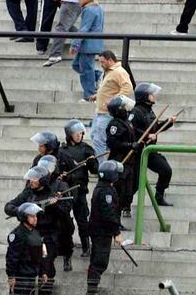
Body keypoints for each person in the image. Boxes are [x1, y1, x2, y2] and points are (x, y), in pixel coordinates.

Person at [5, 166, 71, 294]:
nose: (31, 181)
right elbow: (9, 206)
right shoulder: (28, 192)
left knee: (46, 274)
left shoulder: (52, 194)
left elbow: (64, 214)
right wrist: (23, 210)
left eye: (35, 178)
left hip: (47, 237)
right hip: (28, 234)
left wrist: (55, 205)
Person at [131, 83, 178, 206]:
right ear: (144, 96)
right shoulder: (136, 112)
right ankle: (125, 207)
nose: (153, 96)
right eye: (151, 94)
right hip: (138, 152)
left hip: (150, 151)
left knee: (166, 170)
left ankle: (159, 196)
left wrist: (168, 122)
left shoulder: (149, 111)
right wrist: (146, 136)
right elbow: (132, 129)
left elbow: (155, 128)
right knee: (134, 182)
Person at [61, 119, 98, 257]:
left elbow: (95, 170)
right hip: (66, 191)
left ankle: (86, 246)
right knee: (64, 221)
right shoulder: (62, 151)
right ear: (69, 134)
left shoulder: (86, 149)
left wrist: (93, 162)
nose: (79, 135)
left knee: (82, 220)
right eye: (76, 133)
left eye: (81, 133)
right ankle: (63, 247)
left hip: (80, 190)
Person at [90, 50, 134, 163]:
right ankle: (105, 162)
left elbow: (128, 88)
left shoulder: (119, 72)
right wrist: (97, 96)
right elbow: (109, 88)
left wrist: (113, 101)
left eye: (103, 62)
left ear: (110, 60)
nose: (101, 64)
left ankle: (102, 166)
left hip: (107, 113)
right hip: (100, 111)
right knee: (95, 136)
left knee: (99, 141)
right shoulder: (108, 72)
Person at [87, 160, 123, 295]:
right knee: (99, 261)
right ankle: (92, 290)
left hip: (99, 231)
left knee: (97, 261)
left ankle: (92, 288)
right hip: (102, 232)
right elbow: (108, 214)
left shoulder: (103, 188)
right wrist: (117, 232)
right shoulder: (106, 192)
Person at [37, 155, 75, 271]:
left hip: (60, 220)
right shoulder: (35, 184)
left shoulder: (61, 185)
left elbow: (67, 206)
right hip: (43, 219)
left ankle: (67, 257)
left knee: (65, 238)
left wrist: (56, 203)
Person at [106, 95, 140, 220]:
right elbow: (112, 143)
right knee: (119, 190)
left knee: (128, 190)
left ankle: (124, 209)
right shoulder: (114, 125)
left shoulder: (127, 122)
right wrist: (130, 145)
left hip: (130, 162)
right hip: (120, 161)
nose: (125, 109)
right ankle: (116, 219)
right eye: (123, 108)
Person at [70, 0, 104, 102]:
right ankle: (99, 75)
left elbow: (84, 29)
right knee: (76, 65)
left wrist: (75, 44)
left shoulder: (89, 10)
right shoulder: (97, 8)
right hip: (92, 43)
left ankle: (89, 95)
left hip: (88, 44)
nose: (78, 0)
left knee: (86, 70)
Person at [6, 203, 44, 295]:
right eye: (32, 216)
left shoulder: (35, 232)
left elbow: (39, 255)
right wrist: (11, 276)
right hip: (21, 277)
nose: (35, 218)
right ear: (24, 217)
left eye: (36, 216)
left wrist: (42, 272)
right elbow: (12, 257)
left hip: (32, 275)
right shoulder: (18, 235)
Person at [43, 0, 82, 66]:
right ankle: (85, 39)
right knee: (67, 26)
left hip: (69, 0)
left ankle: (55, 54)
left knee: (61, 28)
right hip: (77, 1)